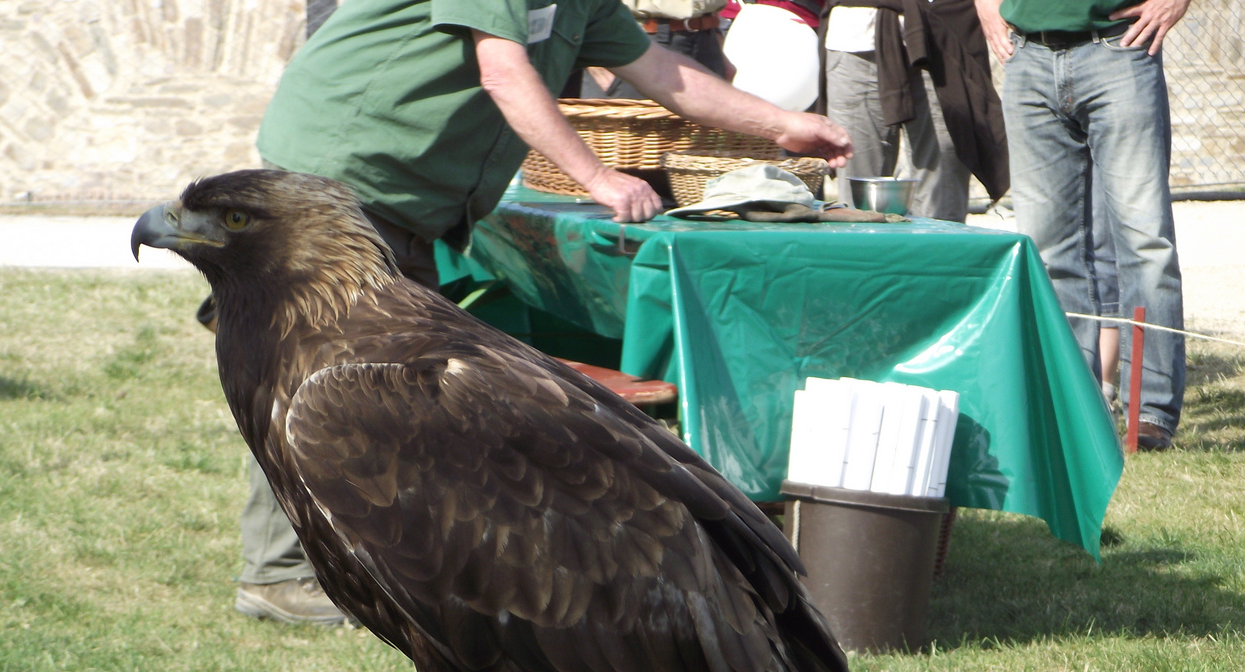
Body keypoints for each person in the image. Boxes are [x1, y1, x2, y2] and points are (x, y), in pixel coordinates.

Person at [232, 0, 853, 624]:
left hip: (407, 195)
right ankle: (280, 574)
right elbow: (503, 70)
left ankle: (344, 559)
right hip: (340, 175)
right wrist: (598, 177)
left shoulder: (587, 4)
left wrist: (780, 126)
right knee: (317, 375)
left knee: (378, 392)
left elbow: (665, 71)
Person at [975, 0, 1188, 450]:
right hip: (1027, 56)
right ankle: (1076, 408)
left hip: (1120, 47)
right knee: (1048, 252)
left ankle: (1147, 414)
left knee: (1144, 243)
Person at [819, 0, 1008, 222]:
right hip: (855, 29)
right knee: (857, 200)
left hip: (943, 29)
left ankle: (938, 256)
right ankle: (862, 255)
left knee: (942, 199)